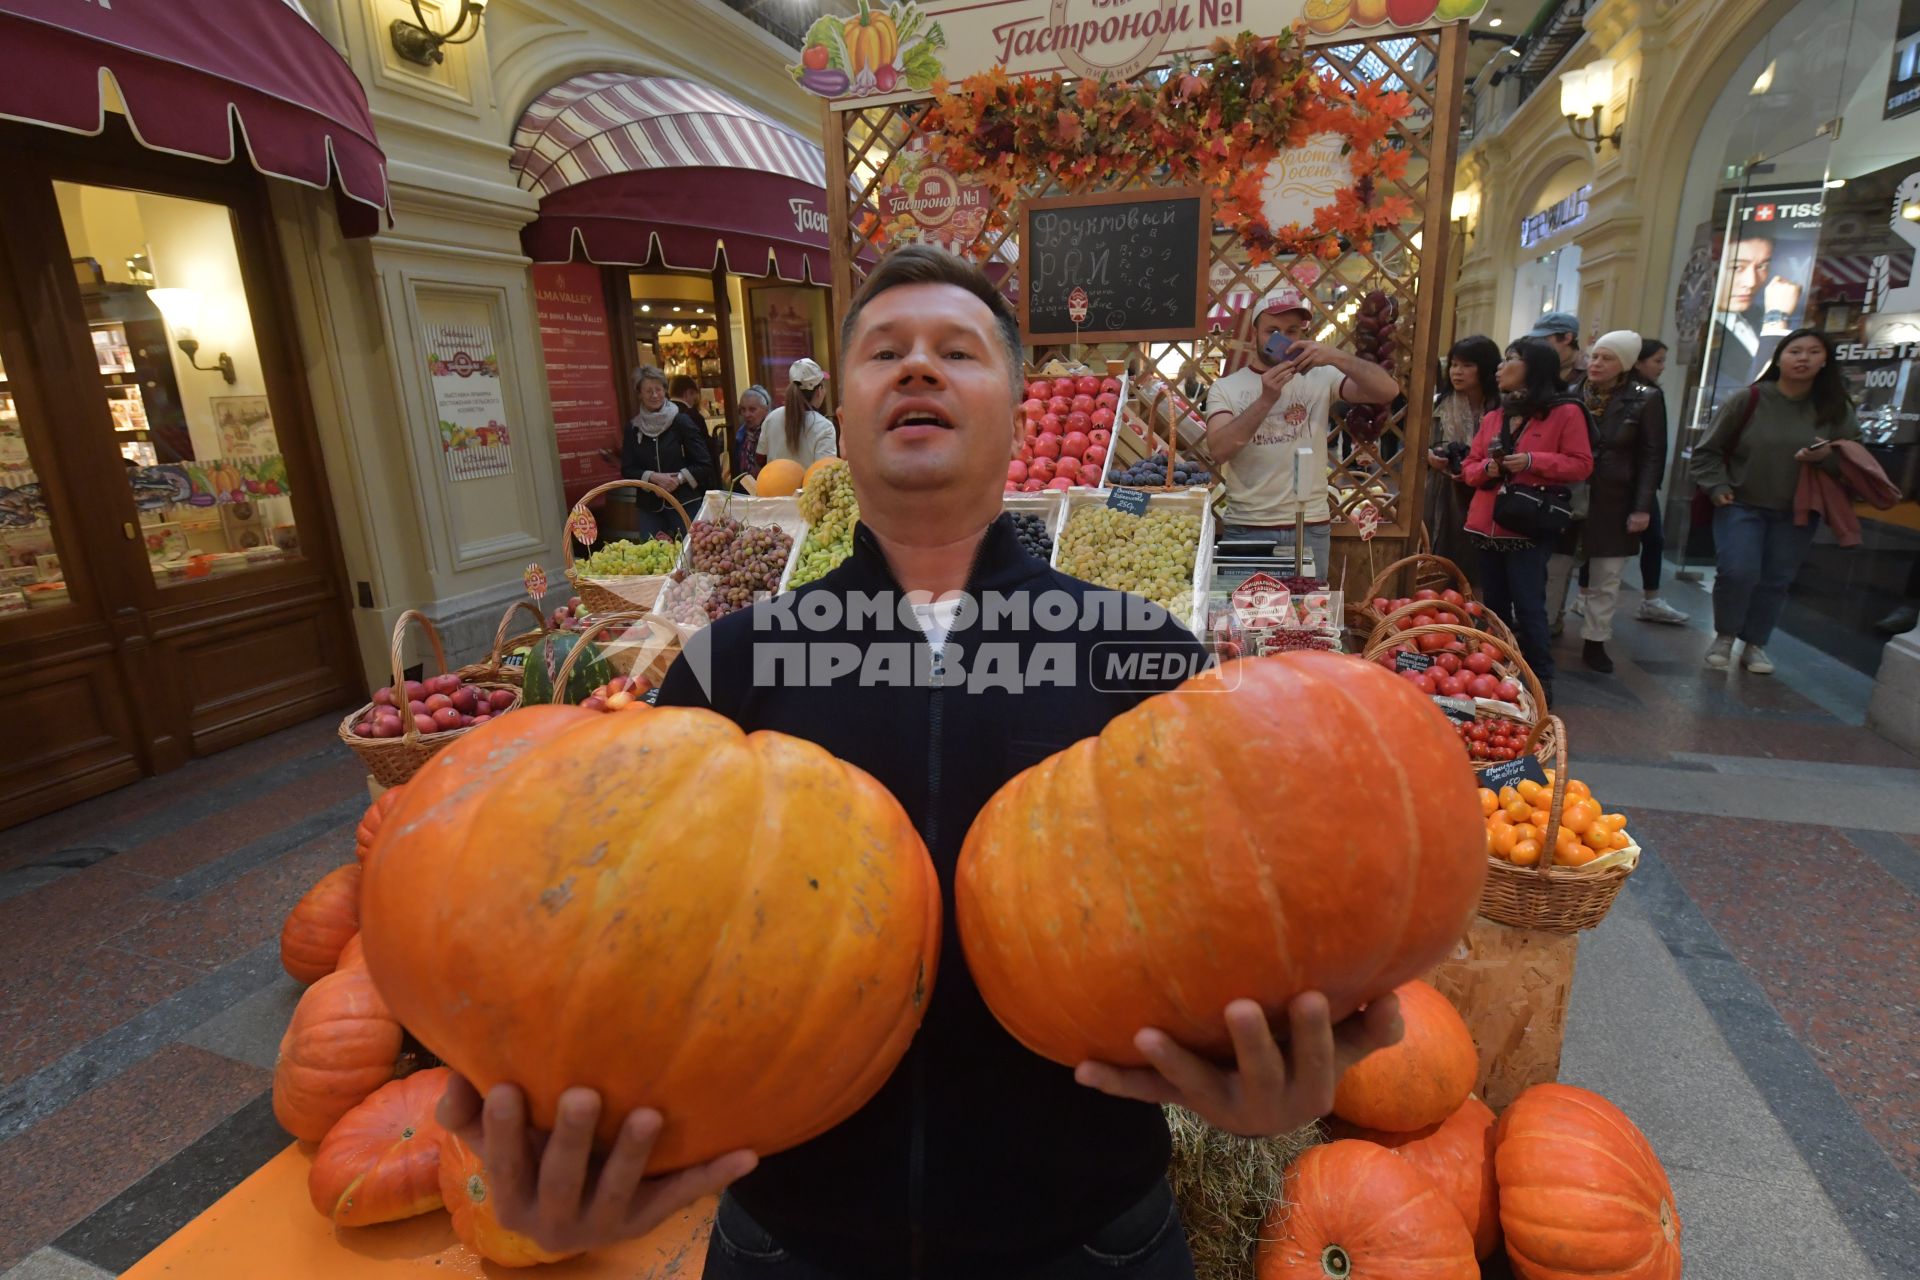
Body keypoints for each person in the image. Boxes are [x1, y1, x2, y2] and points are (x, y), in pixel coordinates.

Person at [436, 245, 1405, 1279]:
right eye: (884, 352)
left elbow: (1243, 914)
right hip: (789, 1235)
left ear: (1023, 417)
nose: (918, 368)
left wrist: (1262, 1077)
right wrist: (576, 1116)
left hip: (1087, 1233)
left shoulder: (1147, 662)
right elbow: (623, 937)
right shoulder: (727, 668)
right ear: (842, 422)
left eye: (958, 350)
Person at [1690, 328, 1860, 674]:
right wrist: (1716, 484)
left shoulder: (1834, 408)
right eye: (1795, 351)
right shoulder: (1749, 399)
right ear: (1779, 358)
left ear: (1825, 360)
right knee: (1738, 571)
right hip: (1740, 503)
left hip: (1798, 509)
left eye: (1813, 352)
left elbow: (1852, 459)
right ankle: (1724, 635)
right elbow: (1707, 451)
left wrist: (1826, 455)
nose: (1803, 358)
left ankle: (1755, 644)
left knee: (1776, 578)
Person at [1205, 287, 1399, 577]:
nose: (1283, 339)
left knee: (1307, 619)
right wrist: (1266, 399)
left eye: (1292, 330)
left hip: (1310, 526)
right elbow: (1219, 450)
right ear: (1254, 334)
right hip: (1248, 527)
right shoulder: (1226, 387)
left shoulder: (1321, 377)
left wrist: (1335, 357)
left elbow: (1387, 391)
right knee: (1244, 619)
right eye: (1272, 330)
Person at [1461, 339, 1596, 698]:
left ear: (1533, 368)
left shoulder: (1566, 412)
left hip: (1528, 522)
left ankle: (1539, 680)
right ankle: (1493, 674)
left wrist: (1534, 462)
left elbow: (1582, 464)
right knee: (1493, 606)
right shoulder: (1494, 416)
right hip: (1488, 522)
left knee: (1529, 604)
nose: (1500, 368)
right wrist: (1488, 468)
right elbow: (1470, 469)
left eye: (1511, 360)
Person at [1555, 331, 1666, 674]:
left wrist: (1642, 506)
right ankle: (1544, 626)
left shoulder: (1645, 399)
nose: (1597, 364)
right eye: (1595, 356)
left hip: (1615, 497)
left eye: (1608, 358)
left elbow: (1652, 455)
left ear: (1626, 364)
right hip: (1569, 493)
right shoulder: (1570, 394)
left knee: (1607, 574)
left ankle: (1595, 639)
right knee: (1555, 567)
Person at [1424, 336, 1500, 579]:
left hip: (1486, 490)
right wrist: (1429, 457)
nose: (1457, 372)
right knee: (1441, 550)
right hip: (1444, 490)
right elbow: (1416, 447)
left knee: (1478, 562)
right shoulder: (1440, 406)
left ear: (1486, 367)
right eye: (1455, 365)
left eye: (1467, 366)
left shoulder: (1501, 408)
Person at [615, 365, 718, 538]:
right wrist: (652, 477)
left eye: (658, 389)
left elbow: (704, 463)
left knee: (690, 555)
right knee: (652, 557)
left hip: (685, 504)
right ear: (639, 394)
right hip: (650, 509)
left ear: (665, 390)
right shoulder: (633, 428)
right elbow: (628, 469)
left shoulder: (682, 422)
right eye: (648, 391)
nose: (654, 395)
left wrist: (678, 478)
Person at [1630, 340, 1689, 625]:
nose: (1662, 366)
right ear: (1637, 361)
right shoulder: (1641, 396)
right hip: (1627, 481)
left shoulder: (1649, 395)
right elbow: (1653, 449)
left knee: (1654, 539)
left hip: (1639, 482)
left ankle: (1651, 598)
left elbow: (1655, 449)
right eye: (1657, 360)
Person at [761, 357, 839, 470]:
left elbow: (760, 459)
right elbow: (825, 472)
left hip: (772, 486)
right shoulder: (824, 427)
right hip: (808, 488)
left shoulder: (772, 417)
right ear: (819, 391)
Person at [1527, 311, 1584, 387]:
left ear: (1567, 338)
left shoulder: (1590, 372)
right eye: (1534, 340)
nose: (1537, 345)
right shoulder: (1535, 366)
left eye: (1543, 339)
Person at [734, 385, 772, 481]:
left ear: (766, 410)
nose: (746, 415)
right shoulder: (740, 436)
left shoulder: (773, 434)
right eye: (743, 409)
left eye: (752, 409)